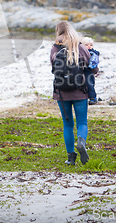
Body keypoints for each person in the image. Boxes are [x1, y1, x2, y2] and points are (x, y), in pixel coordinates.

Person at [50, 21, 98, 166]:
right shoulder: (80, 47)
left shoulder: (55, 48)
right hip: (80, 91)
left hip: (61, 92)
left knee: (67, 125)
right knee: (82, 122)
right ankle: (81, 142)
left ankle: (71, 158)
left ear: (58, 32)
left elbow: (53, 68)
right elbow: (94, 69)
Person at [81, 37, 100, 105]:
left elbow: (94, 63)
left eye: (91, 45)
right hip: (82, 70)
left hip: (89, 71)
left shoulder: (93, 53)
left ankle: (93, 98)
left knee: (90, 84)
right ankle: (84, 97)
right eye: (86, 45)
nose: (89, 46)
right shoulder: (81, 52)